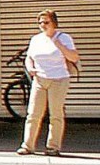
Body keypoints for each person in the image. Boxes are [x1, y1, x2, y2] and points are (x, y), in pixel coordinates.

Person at [17, 9, 79, 156]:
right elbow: (29, 57)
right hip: (39, 79)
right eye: (40, 22)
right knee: (33, 114)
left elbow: (74, 57)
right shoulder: (36, 39)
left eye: (46, 22)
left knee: (55, 114)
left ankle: (53, 146)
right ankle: (27, 145)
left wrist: (59, 46)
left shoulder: (64, 38)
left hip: (58, 79)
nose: (42, 25)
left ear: (54, 23)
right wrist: (30, 68)